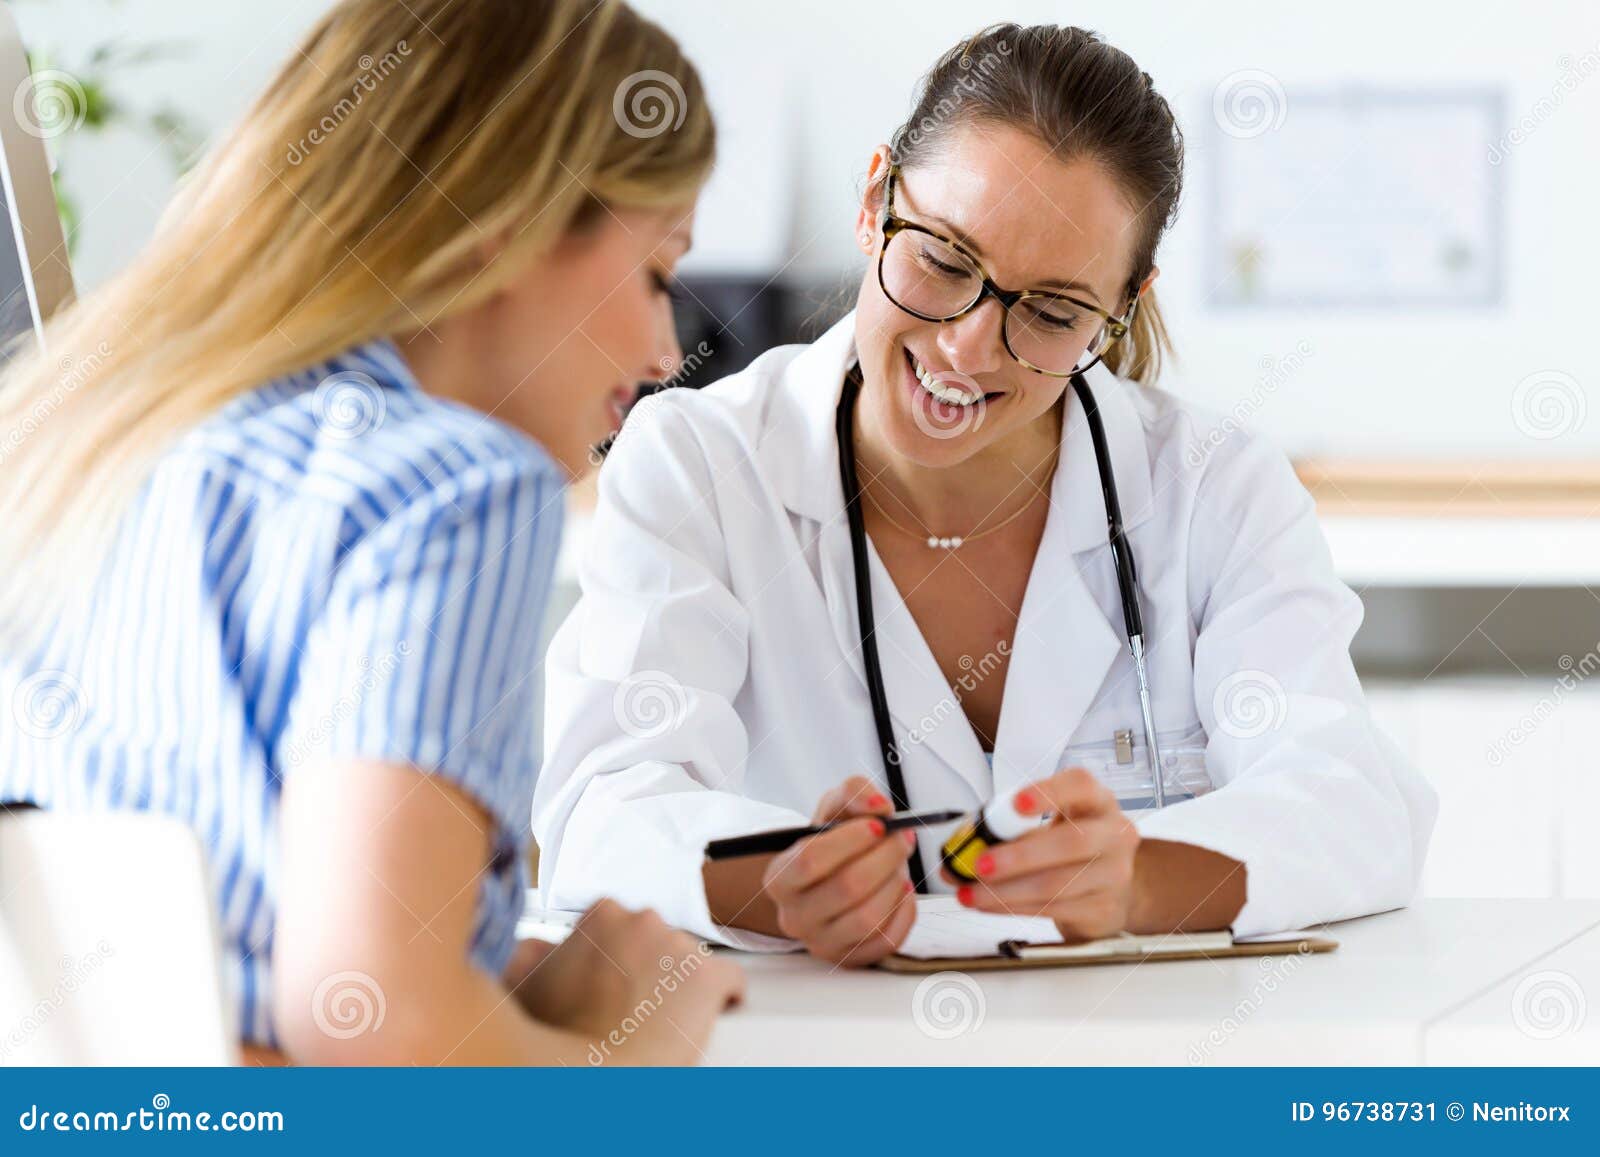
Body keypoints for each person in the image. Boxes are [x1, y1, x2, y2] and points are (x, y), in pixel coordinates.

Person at [534, 23, 1437, 965]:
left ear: (1122, 303)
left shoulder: (1215, 486)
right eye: (943, 260)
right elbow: (604, 812)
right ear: (878, 198)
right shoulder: (700, 467)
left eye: (1051, 311)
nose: (967, 346)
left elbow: (1352, 801)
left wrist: (1138, 880)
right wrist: (783, 883)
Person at [0, 0, 742, 1062]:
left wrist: (488, 985)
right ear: (515, 220)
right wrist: (625, 1046)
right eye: (659, 272)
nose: (670, 349)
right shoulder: (454, 489)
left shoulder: (82, 445)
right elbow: (376, 1015)